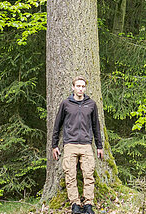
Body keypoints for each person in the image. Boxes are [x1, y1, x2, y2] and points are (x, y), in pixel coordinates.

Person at [51, 77, 104, 214]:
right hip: (70, 144)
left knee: (88, 175)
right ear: (73, 87)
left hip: (86, 145)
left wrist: (99, 146)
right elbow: (57, 125)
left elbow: (96, 126)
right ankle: (75, 204)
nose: (80, 88)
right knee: (70, 175)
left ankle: (88, 204)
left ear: (85, 88)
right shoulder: (66, 104)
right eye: (78, 86)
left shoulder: (91, 104)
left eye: (83, 86)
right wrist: (54, 145)